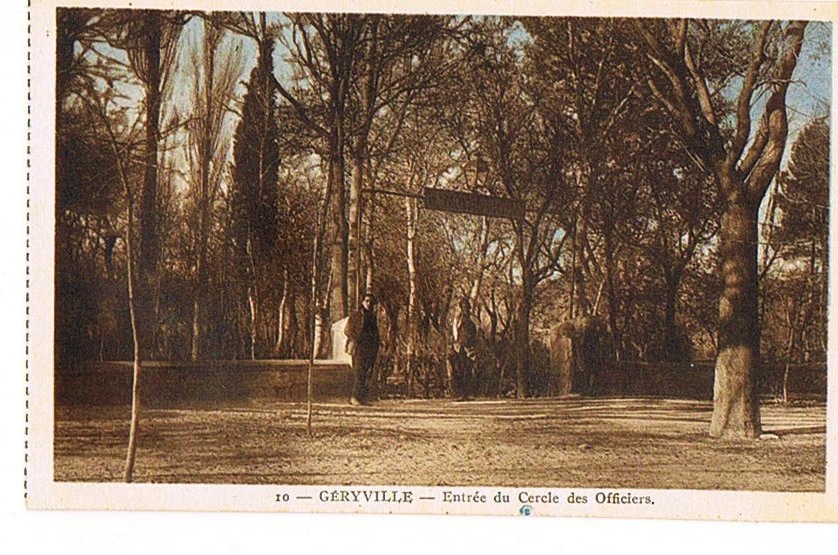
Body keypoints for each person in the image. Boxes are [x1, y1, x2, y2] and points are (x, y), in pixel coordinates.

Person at [344, 292, 380, 405]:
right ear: (363, 302)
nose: (369, 304)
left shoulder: (372, 316)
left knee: (367, 373)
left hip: (370, 348)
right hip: (358, 348)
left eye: (371, 302)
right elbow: (347, 330)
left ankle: (362, 398)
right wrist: (358, 338)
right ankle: (354, 397)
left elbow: (375, 333)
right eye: (367, 301)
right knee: (358, 372)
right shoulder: (356, 315)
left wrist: (377, 343)